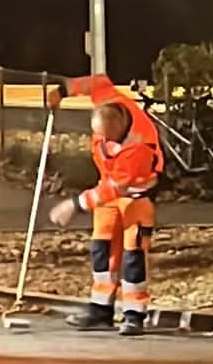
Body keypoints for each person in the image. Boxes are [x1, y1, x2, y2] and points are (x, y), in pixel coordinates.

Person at [46, 74, 163, 337]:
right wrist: (61, 91)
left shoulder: (140, 145)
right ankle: (100, 310)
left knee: (133, 254)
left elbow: (116, 188)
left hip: (136, 197)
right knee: (102, 248)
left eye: (109, 137)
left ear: (120, 123)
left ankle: (134, 314)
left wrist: (74, 205)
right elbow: (94, 82)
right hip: (107, 192)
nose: (105, 142)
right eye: (100, 137)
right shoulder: (108, 99)